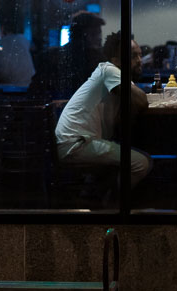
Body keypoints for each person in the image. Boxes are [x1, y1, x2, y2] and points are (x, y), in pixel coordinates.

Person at [54, 31, 152, 190]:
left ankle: (102, 197)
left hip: (77, 142)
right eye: (133, 56)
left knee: (134, 156)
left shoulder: (113, 75)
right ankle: (114, 205)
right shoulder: (110, 70)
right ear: (115, 60)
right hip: (76, 144)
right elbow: (141, 101)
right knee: (141, 163)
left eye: (140, 55)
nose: (140, 61)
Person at [29, 10, 105, 99]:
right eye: (95, 34)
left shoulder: (53, 55)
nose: (99, 39)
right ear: (83, 35)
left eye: (99, 34)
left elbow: (35, 92)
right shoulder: (96, 60)